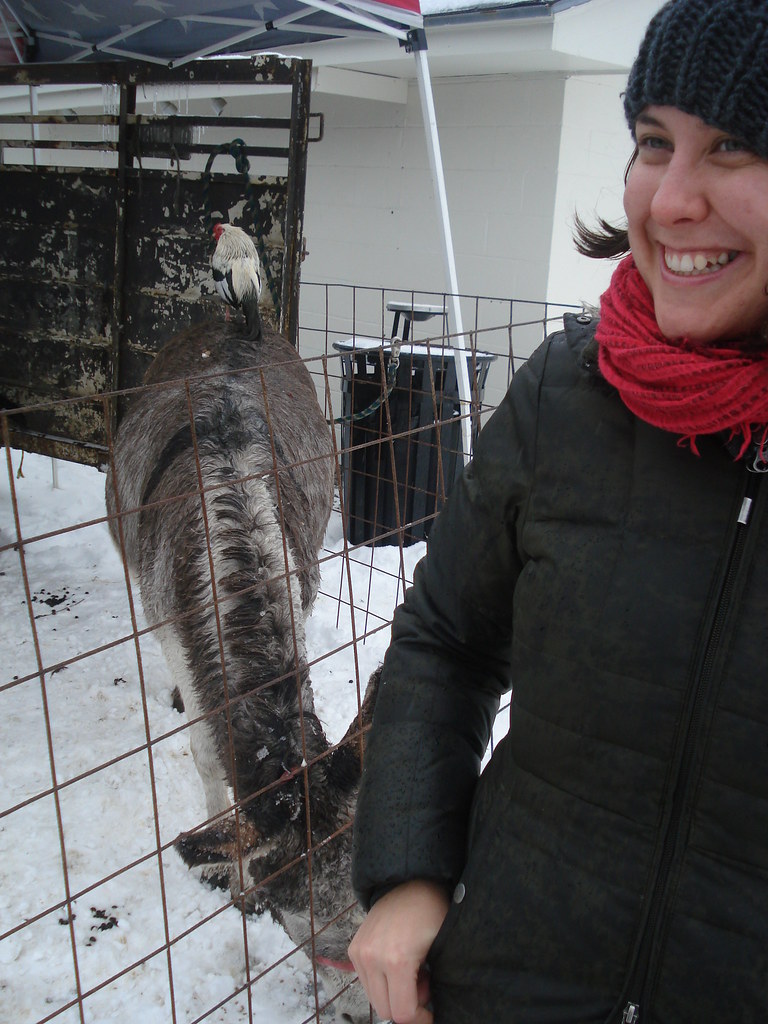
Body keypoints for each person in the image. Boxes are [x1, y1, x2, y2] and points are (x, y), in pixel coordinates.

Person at [347, 1, 768, 1021]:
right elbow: (447, 640)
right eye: (654, 142)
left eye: (736, 146)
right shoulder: (566, 395)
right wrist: (408, 869)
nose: (669, 201)